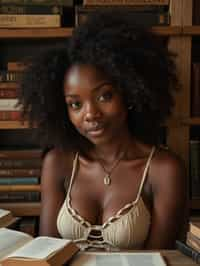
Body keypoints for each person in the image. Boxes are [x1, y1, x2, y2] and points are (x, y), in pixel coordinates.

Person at [19, 12, 187, 251]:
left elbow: (158, 259)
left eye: (104, 96)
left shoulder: (164, 169)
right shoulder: (58, 162)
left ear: (129, 93)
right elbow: (47, 254)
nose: (90, 114)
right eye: (75, 104)